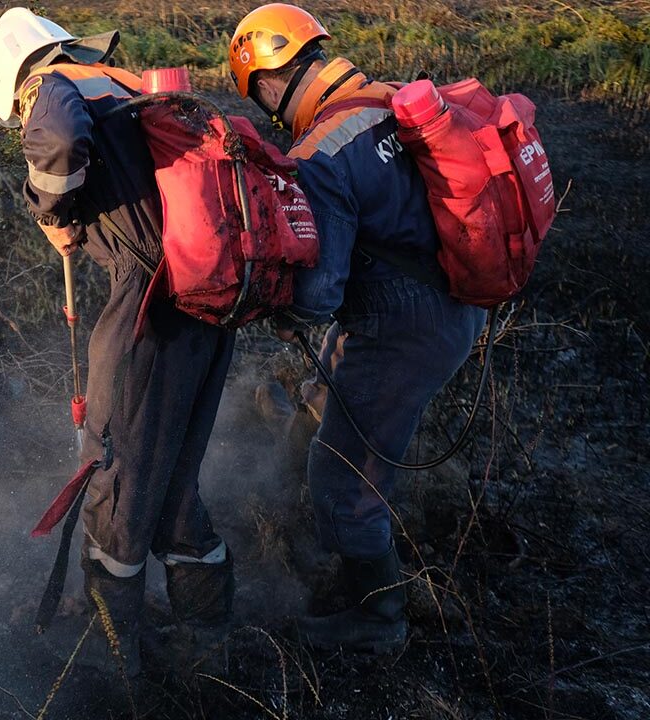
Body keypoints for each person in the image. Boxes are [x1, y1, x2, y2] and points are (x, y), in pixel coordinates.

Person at [0, 8, 236, 675]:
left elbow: (58, 141)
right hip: (204, 303)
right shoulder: (123, 83)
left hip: (146, 302)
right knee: (173, 483)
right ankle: (207, 646)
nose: (18, 122)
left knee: (113, 474)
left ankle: (110, 657)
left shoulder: (57, 88)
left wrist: (52, 209)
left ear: (14, 78)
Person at [228, 4, 486, 652]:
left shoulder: (319, 152)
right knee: (322, 414)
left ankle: (379, 617)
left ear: (265, 80)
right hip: (446, 300)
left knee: (345, 476)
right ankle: (290, 503)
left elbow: (322, 293)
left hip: (402, 324)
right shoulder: (385, 100)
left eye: (256, 92)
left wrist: (273, 307)